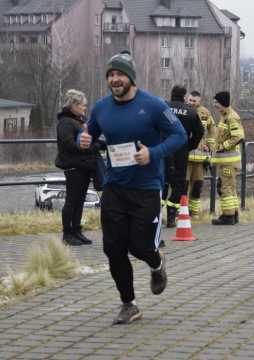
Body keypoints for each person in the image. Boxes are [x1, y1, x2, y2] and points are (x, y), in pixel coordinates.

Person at [79, 52, 187, 324]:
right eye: (110, 75)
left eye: (119, 74)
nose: (114, 79)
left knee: (140, 246)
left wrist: (154, 153)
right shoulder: (102, 107)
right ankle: (129, 304)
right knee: (113, 248)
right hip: (115, 187)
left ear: (130, 77)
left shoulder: (153, 105)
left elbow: (179, 135)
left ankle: (156, 263)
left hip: (147, 187)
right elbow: (90, 132)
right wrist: (85, 139)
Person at [55, 89, 104, 246]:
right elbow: (68, 143)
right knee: (72, 201)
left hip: (83, 167)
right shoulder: (65, 122)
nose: (85, 108)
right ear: (73, 105)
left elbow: (89, 140)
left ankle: (76, 230)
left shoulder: (80, 121)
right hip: (74, 167)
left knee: (79, 200)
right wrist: (92, 147)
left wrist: (100, 144)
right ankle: (67, 233)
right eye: (83, 105)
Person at [163, 85, 204, 228]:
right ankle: (171, 216)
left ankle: (155, 214)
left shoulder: (163, 107)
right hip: (181, 151)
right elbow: (199, 132)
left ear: (171, 94)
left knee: (162, 181)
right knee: (179, 184)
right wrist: (190, 145)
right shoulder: (191, 112)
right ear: (184, 96)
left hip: (164, 149)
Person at [211, 91, 245, 225]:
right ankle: (233, 214)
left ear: (223, 103)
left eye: (216, 103)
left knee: (225, 188)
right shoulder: (224, 116)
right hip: (226, 161)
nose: (215, 106)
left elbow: (238, 137)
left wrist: (223, 146)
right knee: (230, 187)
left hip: (229, 161)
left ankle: (228, 216)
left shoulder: (231, 117)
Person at [186, 91, 216, 219]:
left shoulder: (205, 112)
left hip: (199, 157)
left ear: (199, 101)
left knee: (197, 185)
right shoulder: (184, 110)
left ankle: (194, 212)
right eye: (190, 100)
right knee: (183, 185)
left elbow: (212, 130)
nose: (192, 103)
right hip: (185, 156)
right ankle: (182, 211)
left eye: (194, 101)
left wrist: (209, 146)